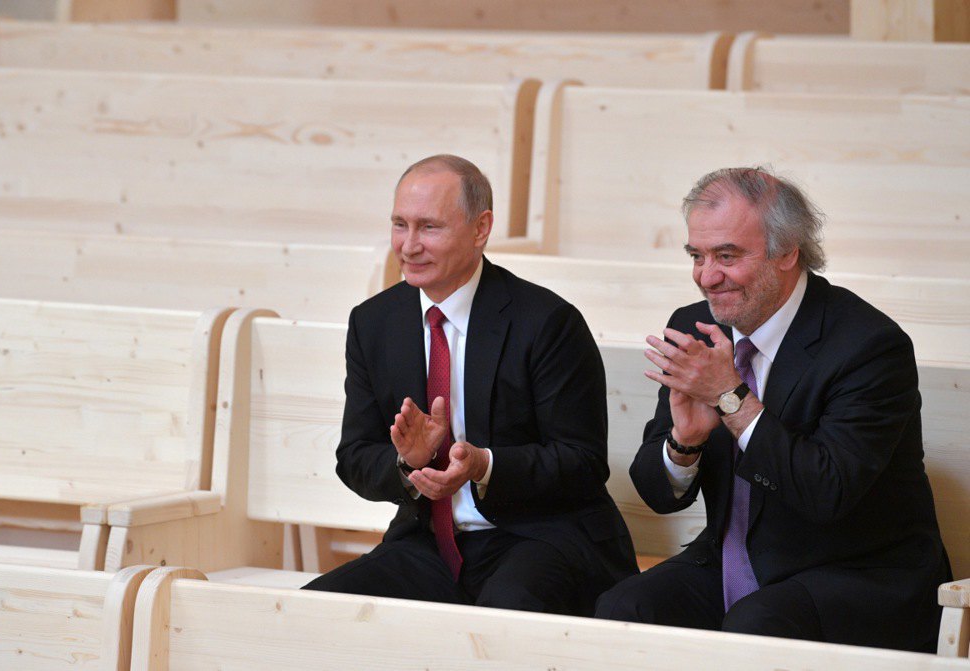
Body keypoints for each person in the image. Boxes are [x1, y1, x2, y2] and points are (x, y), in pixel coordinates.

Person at [595, 167, 951, 651]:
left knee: (757, 624)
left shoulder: (869, 345)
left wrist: (730, 398)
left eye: (727, 256)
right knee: (624, 609)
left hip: (855, 571)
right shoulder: (696, 327)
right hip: (735, 558)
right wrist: (684, 444)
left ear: (787, 252)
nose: (706, 277)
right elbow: (659, 495)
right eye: (697, 256)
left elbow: (827, 492)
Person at [305, 154, 636, 615]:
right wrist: (407, 463)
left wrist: (485, 465)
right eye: (400, 225)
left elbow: (582, 462)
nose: (409, 245)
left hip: (541, 536)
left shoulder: (548, 322)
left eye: (429, 227)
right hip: (429, 543)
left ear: (481, 229)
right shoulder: (373, 322)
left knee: (501, 615)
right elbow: (355, 457)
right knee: (317, 609)